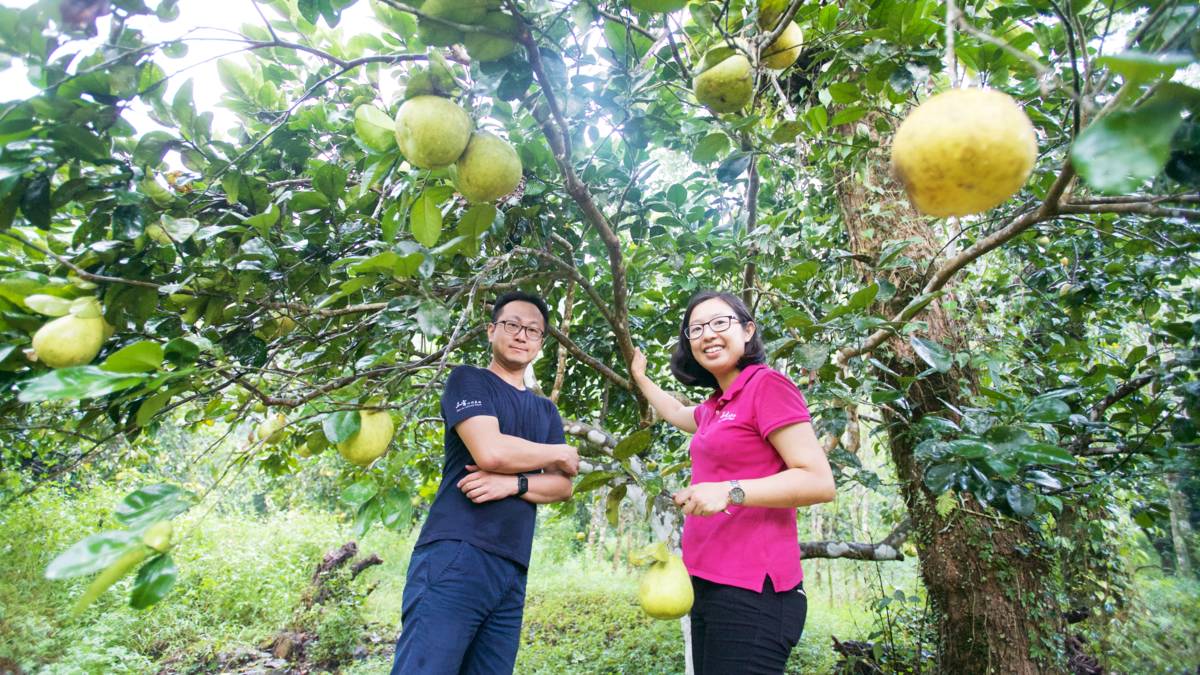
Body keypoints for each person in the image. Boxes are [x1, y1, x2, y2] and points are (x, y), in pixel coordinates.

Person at [630, 290, 836, 675]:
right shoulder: (716, 406)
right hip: (707, 585)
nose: (708, 334)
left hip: (753, 593)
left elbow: (819, 481)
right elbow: (676, 411)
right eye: (697, 328)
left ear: (747, 331)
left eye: (720, 322)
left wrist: (729, 491)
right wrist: (640, 377)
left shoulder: (767, 387)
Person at [390, 291, 579, 675]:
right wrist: (557, 453)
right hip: (457, 553)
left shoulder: (546, 410)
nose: (522, 335)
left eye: (533, 330)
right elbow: (490, 451)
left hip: (512, 567)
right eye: (512, 325)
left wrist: (515, 486)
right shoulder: (469, 381)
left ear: (541, 343)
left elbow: (563, 487)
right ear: (492, 331)